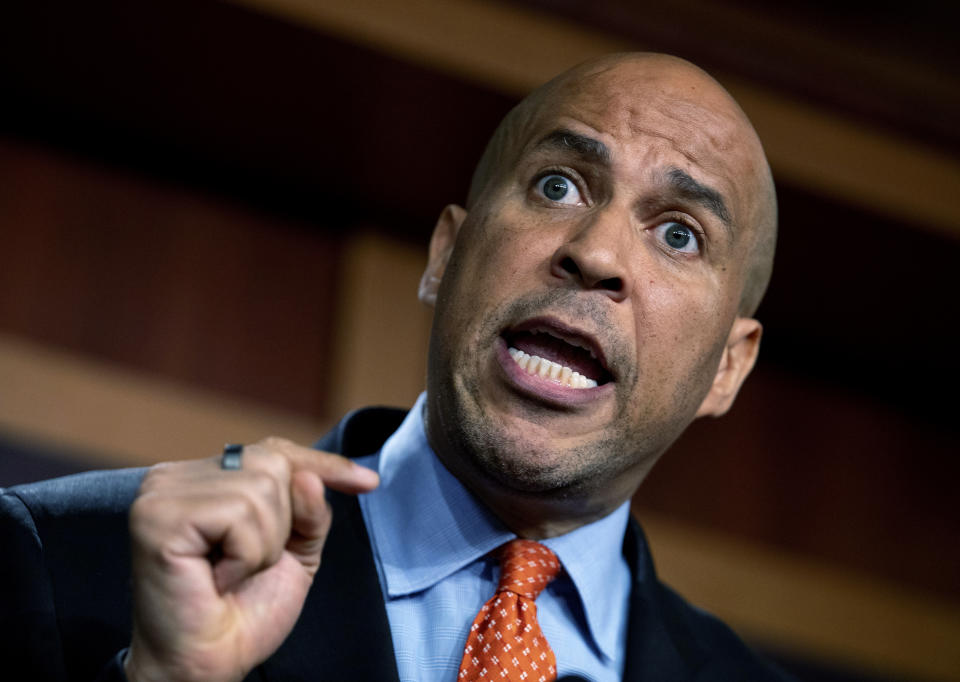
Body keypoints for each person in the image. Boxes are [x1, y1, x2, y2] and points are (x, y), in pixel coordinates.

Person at [0, 52, 790, 681]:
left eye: (679, 234)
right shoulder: (62, 560)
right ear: (445, 255)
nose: (596, 252)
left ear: (727, 367)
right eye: (559, 185)